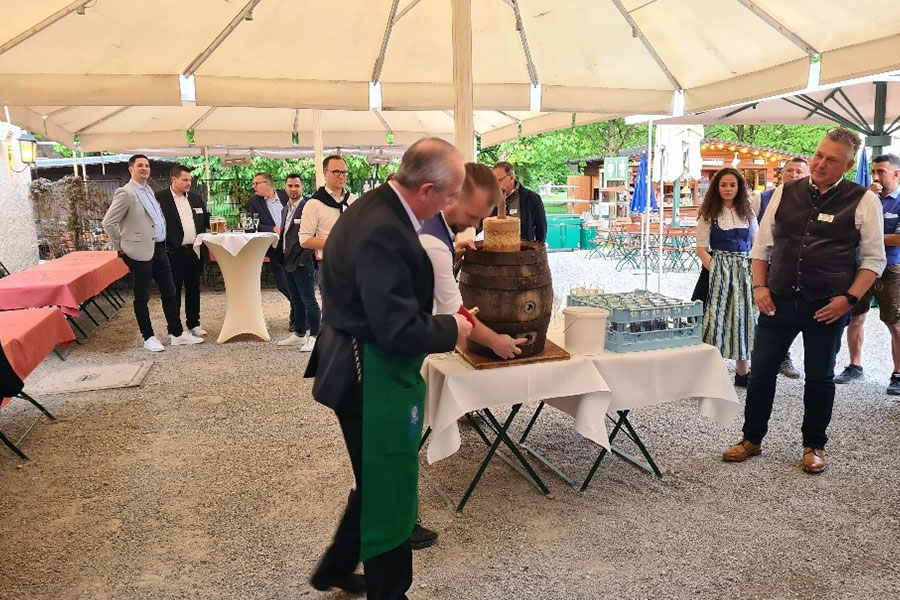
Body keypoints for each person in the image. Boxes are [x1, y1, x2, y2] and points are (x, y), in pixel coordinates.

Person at [304, 138, 473, 599]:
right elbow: (396, 328)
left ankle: (335, 570)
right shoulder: (384, 227)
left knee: (373, 477)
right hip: (367, 373)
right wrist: (450, 328)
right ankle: (389, 591)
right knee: (389, 484)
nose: (452, 204)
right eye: (450, 194)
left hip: (355, 360)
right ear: (424, 189)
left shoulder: (371, 207)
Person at [722, 129, 886, 474]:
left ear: (848, 164)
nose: (821, 164)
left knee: (820, 377)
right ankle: (751, 438)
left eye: (831, 160)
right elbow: (762, 246)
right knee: (762, 372)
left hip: (827, 305)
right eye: (818, 155)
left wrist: (849, 299)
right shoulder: (784, 191)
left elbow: (874, 260)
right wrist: (759, 288)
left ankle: (814, 444)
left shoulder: (863, 200)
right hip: (777, 299)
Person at [421, 162, 527, 359]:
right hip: (389, 357)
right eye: (472, 215)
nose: (475, 225)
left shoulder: (430, 219)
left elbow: (422, 266)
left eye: (481, 218)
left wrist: (451, 254)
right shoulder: (433, 244)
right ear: (452, 197)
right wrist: (495, 341)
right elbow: (455, 311)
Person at [102, 155, 204, 352]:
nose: (144, 168)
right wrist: (121, 245)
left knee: (170, 292)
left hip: (159, 249)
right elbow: (108, 222)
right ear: (130, 169)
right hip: (139, 251)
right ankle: (148, 337)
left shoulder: (148, 190)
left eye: (147, 165)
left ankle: (176, 333)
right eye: (140, 165)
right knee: (142, 297)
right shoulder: (126, 193)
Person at [834, 153, 900, 395]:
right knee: (855, 317)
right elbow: (844, 226)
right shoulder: (865, 199)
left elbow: (898, 240)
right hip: (859, 267)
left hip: (891, 269)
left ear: (896, 174)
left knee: (894, 323)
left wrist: (868, 236)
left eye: (881, 171)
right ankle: (854, 365)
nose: (875, 176)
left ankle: (898, 373)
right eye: (874, 171)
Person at [695, 168, 758, 387]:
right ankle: (711, 374)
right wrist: (716, 270)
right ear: (717, 188)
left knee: (743, 318)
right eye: (723, 185)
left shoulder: (748, 212)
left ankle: (743, 372)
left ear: (739, 187)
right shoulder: (709, 214)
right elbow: (701, 248)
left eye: (732, 185)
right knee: (716, 318)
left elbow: (756, 245)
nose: (728, 189)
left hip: (743, 268)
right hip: (719, 268)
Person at [751, 157, 810, 380]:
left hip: (794, 271)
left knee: (784, 315)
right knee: (764, 311)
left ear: (807, 176)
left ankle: (782, 356)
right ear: (781, 174)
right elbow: (754, 233)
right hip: (767, 266)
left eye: (799, 172)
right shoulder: (763, 198)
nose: (794, 175)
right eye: (790, 171)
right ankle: (764, 358)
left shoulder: (813, 202)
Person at [156, 164, 209, 338]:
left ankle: (194, 323)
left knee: (194, 288)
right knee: (173, 291)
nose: (188, 183)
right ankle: (175, 328)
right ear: (174, 179)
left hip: (195, 250)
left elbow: (206, 219)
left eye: (190, 180)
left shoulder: (195, 198)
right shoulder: (160, 198)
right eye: (185, 179)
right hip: (173, 252)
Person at [277, 174, 320, 349]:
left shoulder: (308, 207)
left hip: (302, 261)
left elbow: (314, 235)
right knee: (295, 300)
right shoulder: (284, 209)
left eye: (297, 186)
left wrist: (303, 259)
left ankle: (316, 336)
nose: (293, 189)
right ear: (285, 187)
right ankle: (300, 333)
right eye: (290, 186)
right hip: (287, 260)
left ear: (302, 187)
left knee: (309, 300)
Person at [248, 173, 293, 331]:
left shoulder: (284, 195)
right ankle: (300, 310)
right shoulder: (254, 201)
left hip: (292, 244)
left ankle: (297, 318)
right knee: (282, 284)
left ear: (267, 184)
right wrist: (273, 228)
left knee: (295, 281)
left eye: (256, 183)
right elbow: (253, 224)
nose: (254, 187)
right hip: (274, 247)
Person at [491, 161, 547, 243]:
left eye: (498, 180)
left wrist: (534, 250)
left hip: (522, 252)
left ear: (511, 178)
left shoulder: (531, 198)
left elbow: (541, 229)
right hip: (497, 252)